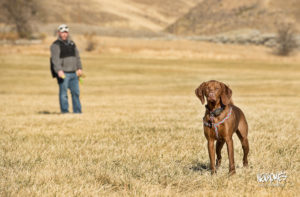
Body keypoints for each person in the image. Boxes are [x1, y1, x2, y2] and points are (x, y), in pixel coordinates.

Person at [50, 24, 83, 113]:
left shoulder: (72, 43)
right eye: (62, 32)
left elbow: (77, 57)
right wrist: (59, 70)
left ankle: (78, 111)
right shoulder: (55, 45)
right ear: (59, 33)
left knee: (76, 93)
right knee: (64, 94)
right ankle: (65, 111)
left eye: (66, 32)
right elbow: (55, 59)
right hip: (64, 73)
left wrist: (79, 68)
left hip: (74, 73)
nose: (64, 34)